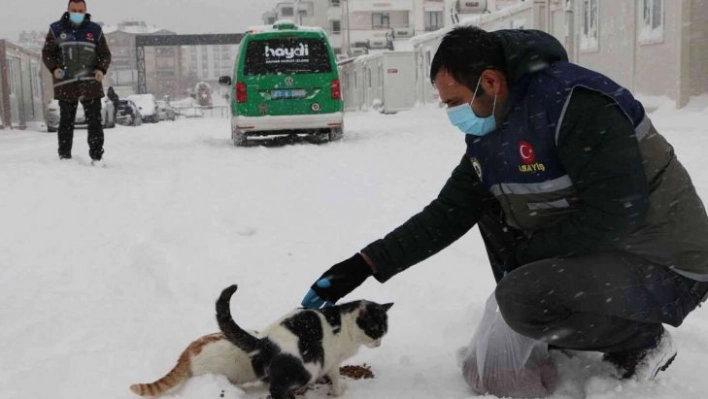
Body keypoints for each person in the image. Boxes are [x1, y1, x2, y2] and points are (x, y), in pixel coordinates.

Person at [302, 26, 708, 390]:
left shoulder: (576, 105)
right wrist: (361, 266)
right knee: (492, 213)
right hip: (610, 255)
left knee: (520, 298)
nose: (452, 114)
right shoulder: (494, 131)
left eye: (455, 101)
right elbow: (447, 212)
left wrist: (529, 259)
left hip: (667, 264)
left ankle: (640, 340)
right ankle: (557, 318)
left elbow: (618, 211)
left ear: (491, 82)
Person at [42, 0, 111, 163]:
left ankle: (97, 157)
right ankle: (65, 156)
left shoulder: (95, 30)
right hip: (66, 83)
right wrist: (55, 69)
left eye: (80, 10)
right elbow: (48, 53)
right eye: (74, 10)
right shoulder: (56, 30)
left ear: (86, 10)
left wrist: (101, 69)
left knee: (95, 122)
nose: (77, 13)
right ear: (68, 10)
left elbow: (105, 54)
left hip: (91, 83)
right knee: (66, 121)